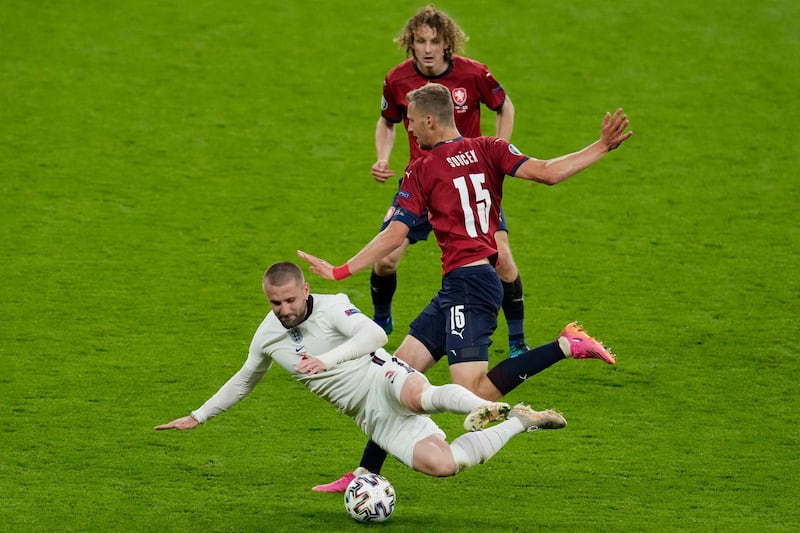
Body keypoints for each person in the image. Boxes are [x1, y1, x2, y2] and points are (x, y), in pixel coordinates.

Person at [298, 82, 632, 491]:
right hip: (463, 284)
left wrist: (340, 271)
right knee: (396, 374)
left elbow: (394, 234)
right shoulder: (491, 147)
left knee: (470, 390)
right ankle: (366, 473)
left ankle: (563, 347)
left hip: (469, 288)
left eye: (411, 121)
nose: (409, 128)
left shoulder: (421, 168)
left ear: (429, 120)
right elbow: (548, 173)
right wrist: (600, 146)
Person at [154, 261, 567, 481]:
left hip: (381, 376)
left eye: (290, 300)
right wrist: (199, 415)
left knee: (417, 395)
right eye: (275, 303)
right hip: (371, 417)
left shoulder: (332, 305)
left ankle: (480, 408)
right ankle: (519, 421)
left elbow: (374, 334)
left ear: (305, 291)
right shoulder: (267, 336)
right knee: (443, 466)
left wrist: (328, 360)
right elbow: (245, 378)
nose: (284, 311)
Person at [369, 4, 529, 358]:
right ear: (410, 42)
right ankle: (381, 324)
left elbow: (505, 106)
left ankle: (517, 340)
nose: (427, 48)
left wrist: (499, 152)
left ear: (447, 44)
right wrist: (382, 156)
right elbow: (388, 121)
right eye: (420, 40)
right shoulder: (397, 79)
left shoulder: (473, 74)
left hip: (467, 184)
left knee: (502, 259)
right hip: (422, 184)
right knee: (385, 259)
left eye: (435, 41)